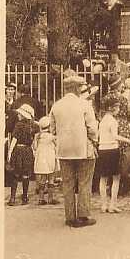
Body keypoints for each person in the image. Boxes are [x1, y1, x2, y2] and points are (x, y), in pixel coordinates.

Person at [49, 72, 98, 228]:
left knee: (67, 183)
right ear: (77, 89)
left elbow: (53, 129)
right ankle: (83, 215)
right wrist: (95, 141)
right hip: (83, 148)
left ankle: (70, 217)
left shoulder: (56, 106)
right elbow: (92, 128)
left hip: (64, 149)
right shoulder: (84, 105)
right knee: (84, 182)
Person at [98, 95, 130, 213]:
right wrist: (128, 140)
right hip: (112, 149)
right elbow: (114, 136)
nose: (118, 110)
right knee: (116, 178)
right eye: (117, 108)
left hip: (102, 149)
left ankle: (103, 205)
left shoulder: (102, 120)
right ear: (112, 108)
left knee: (103, 178)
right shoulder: (113, 121)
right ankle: (112, 204)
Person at [107, 73, 130, 197]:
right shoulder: (123, 99)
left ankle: (114, 186)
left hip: (110, 129)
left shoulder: (105, 98)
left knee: (113, 157)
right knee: (128, 158)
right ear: (118, 85)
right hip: (123, 128)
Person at [7, 104, 38, 206]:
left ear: (23, 115)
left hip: (18, 150)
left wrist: (9, 152)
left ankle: (12, 198)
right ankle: (25, 197)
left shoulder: (18, 125)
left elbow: (14, 139)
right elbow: (33, 141)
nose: (18, 115)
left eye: (20, 114)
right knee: (26, 175)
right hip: (28, 151)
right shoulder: (32, 126)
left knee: (15, 174)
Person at [33, 116, 58, 205]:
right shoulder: (52, 137)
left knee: (43, 179)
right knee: (51, 178)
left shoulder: (38, 137)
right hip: (50, 159)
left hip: (41, 160)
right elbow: (57, 146)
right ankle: (50, 199)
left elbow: (35, 148)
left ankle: (41, 198)